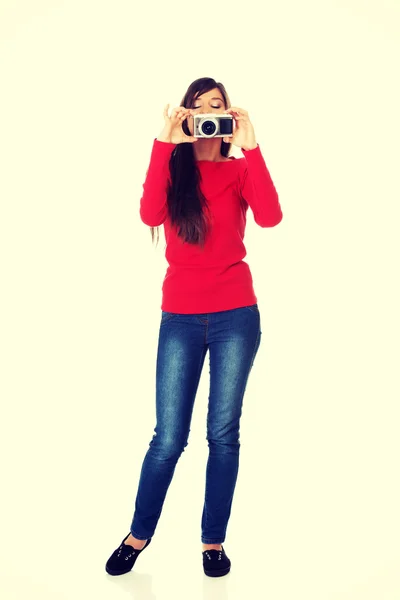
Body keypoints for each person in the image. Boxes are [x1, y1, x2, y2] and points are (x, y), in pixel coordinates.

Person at [105, 77, 283, 578]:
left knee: (223, 435)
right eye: (198, 108)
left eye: (218, 108)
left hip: (236, 315)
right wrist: (165, 140)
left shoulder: (238, 170)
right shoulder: (175, 170)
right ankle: (137, 536)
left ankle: (213, 542)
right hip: (180, 316)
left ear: (230, 118)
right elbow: (148, 213)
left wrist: (253, 148)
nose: (209, 116)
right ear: (186, 114)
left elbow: (270, 217)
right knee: (168, 437)